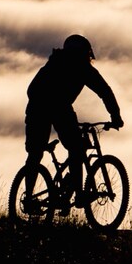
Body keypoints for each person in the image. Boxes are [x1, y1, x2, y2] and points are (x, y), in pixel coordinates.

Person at [23, 34, 123, 208]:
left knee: (36, 153)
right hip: (52, 108)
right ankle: (78, 195)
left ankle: (30, 199)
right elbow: (105, 91)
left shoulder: (55, 64)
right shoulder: (82, 69)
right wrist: (116, 117)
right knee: (75, 148)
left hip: (42, 109)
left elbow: (31, 90)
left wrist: (115, 115)